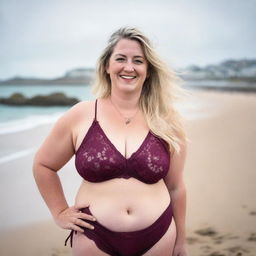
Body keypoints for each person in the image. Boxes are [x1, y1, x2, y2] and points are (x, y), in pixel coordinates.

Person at [33, 26, 188, 256]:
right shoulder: (81, 115)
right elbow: (43, 165)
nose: (129, 67)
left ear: (148, 70)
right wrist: (59, 211)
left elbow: (175, 187)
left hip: (159, 235)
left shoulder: (167, 121)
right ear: (107, 66)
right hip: (94, 236)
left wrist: (181, 242)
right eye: (121, 59)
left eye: (138, 60)